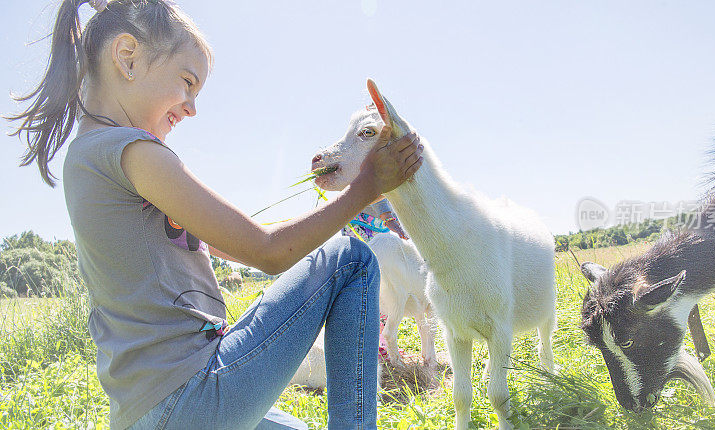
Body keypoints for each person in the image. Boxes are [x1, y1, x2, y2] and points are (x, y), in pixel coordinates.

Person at [7, 1, 423, 429]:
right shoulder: (133, 151)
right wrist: (366, 187)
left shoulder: (90, 155)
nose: (191, 107)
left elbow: (252, 241)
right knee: (351, 258)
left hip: (148, 412)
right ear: (127, 57)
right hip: (192, 395)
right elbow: (268, 252)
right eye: (187, 83)